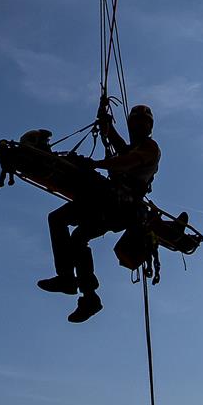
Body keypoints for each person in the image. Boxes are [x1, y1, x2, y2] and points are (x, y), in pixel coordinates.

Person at [38, 103, 159, 323]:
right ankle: (83, 292)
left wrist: (95, 164)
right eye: (134, 123)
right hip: (107, 202)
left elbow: (125, 162)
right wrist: (106, 123)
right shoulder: (132, 148)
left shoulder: (150, 149)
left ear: (149, 127)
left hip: (119, 207)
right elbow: (118, 144)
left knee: (73, 231)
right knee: (64, 225)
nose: (137, 127)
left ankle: (73, 284)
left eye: (142, 123)